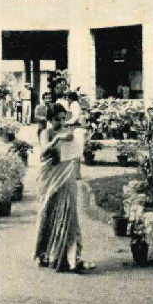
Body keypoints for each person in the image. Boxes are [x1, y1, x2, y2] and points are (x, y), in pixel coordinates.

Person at [32, 103, 95, 273]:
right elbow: (44, 151)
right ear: (50, 120)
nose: (60, 122)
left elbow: (74, 153)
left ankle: (70, 258)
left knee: (68, 214)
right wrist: (57, 139)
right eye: (57, 120)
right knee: (49, 213)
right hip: (49, 178)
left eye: (62, 119)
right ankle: (46, 254)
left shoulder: (67, 133)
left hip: (66, 176)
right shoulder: (47, 132)